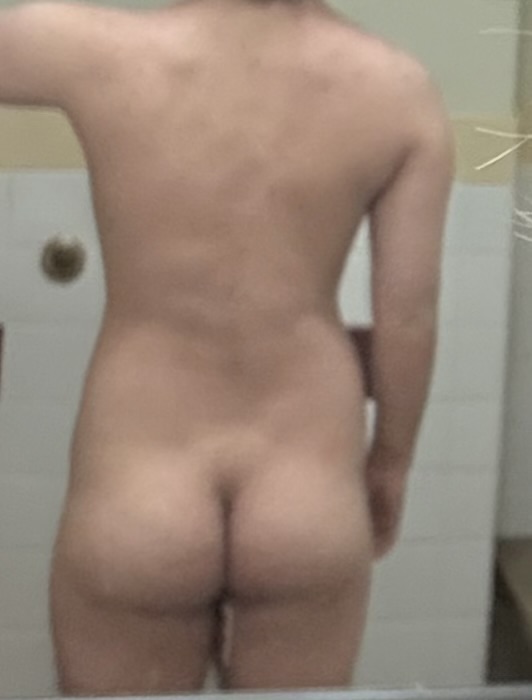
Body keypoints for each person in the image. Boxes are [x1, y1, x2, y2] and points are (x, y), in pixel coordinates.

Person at [0, 0, 455, 694]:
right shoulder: (398, 91)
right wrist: (392, 460)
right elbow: (409, 319)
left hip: (139, 491)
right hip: (305, 491)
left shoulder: (105, 53)